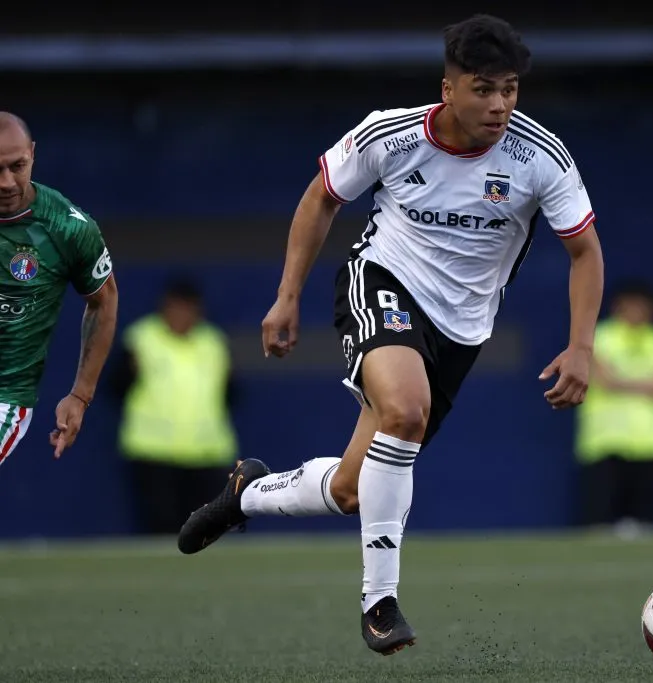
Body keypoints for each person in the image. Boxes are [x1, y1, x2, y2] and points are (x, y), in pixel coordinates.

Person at [177, 14, 604, 656]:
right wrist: (287, 294)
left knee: (353, 489)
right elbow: (322, 196)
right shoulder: (391, 134)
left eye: (510, 89)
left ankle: (248, 494)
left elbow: (585, 253)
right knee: (404, 410)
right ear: (449, 88)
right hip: (384, 282)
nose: (498, 105)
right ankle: (380, 602)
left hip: (461, 329)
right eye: (483, 89)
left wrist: (581, 345)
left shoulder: (539, 156)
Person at [0, 112, 118, 466]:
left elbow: (104, 300)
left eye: (17, 166)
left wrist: (80, 396)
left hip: (4, 396)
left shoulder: (67, 228)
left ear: (32, 154)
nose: (6, 182)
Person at [111, 278, 239, 535]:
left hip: (207, 453)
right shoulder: (141, 338)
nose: (181, 315)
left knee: (208, 531)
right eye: (176, 308)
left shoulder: (213, 342)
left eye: (188, 308)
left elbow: (231, 393)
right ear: (164, 308)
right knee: (161, 529)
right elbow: (114, 387)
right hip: (154, 453)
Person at [575, 280, 653, 533]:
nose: (637, 311)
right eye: (631, 305)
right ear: (618, 307)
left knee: (647, 521)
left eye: (643, 306)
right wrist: (648, 384)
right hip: (607, 440)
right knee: (600, 519)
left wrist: (624, 381)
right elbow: (605, 381)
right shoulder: (598, 337)